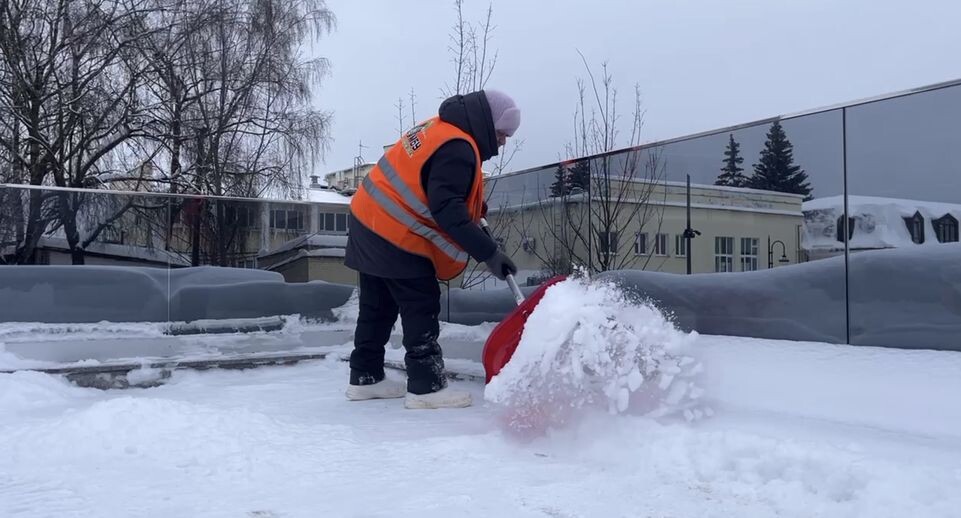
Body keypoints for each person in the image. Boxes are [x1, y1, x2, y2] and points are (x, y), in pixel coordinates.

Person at [342, 89, 520, 409]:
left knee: (378, 305)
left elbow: (432, 186)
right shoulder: (459, 149)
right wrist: (489, 254)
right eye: (501, 134)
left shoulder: (439, 128)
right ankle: (426, 387)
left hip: (366, 219)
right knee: (420, 303)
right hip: (394, 231)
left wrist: (473, 205)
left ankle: (365, 377)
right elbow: (447, 210)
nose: (503, 142)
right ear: (485, 124)